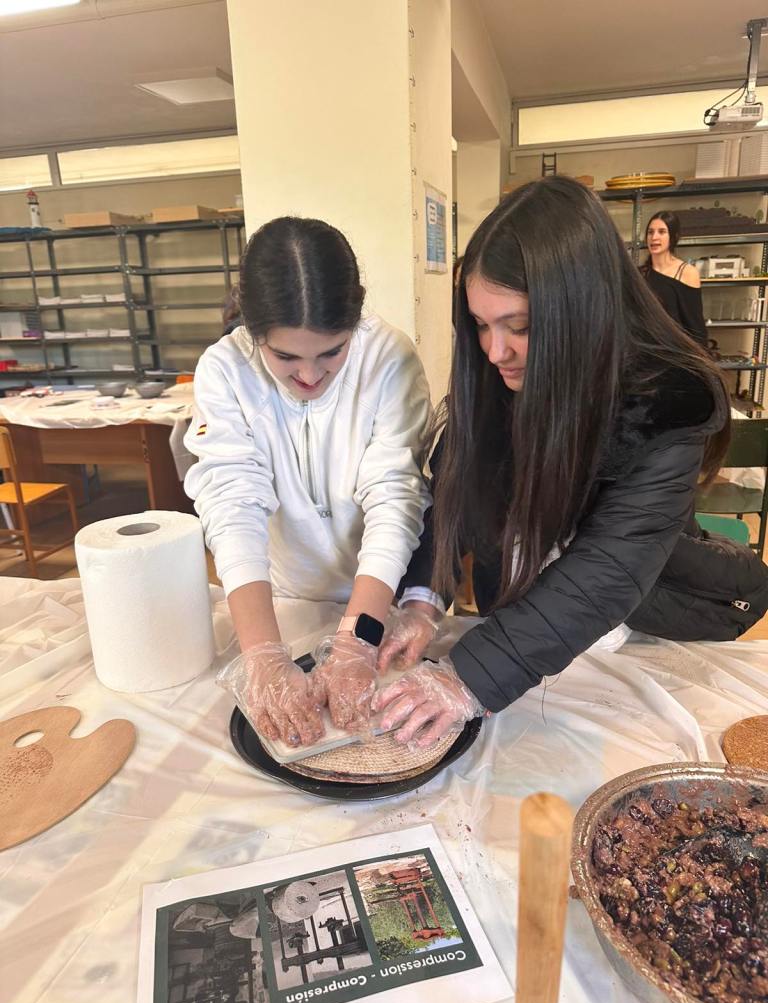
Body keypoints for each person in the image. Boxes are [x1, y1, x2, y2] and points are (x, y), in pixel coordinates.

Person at [374, 176, 768, 748]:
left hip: (627, 630)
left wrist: (468, 678)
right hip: (514, 624)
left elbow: (609, 568)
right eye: (481, 325)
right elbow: (451, 495)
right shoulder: (493, 376)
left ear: (583, 312)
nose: (495, 350)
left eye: (520, 326)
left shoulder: (666, 402)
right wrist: (421, 599)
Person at [184, 216, 431, 747]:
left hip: (379, 602)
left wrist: (357, 642)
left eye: (332, 352)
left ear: (354, 322)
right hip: (279, 601)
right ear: (254, 334)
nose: (310, 376)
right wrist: (263, 656)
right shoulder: (225, 370)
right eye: (285, 357)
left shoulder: (388, 358)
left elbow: (395, 499)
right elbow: (232, 504)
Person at [642, 210, 708, 345]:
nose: (654, 237)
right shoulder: (641, 274)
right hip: (646, 351)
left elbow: (695, 325)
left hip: (675, 351)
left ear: (673, 237)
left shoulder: (687, 273)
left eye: (661, 232)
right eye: (650, 232)